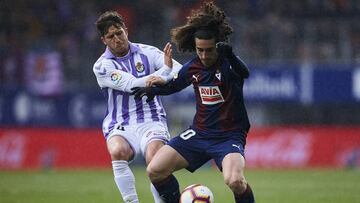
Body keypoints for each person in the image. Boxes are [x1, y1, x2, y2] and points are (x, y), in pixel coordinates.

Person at [132, 1, 255, 203]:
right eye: (200, 50)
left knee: (235, 181)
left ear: (217, 45)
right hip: (199, 133)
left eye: (208, 50)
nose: (204, 55)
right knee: (155, 170)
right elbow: (174, 85)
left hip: (229, 136)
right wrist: (153, 90)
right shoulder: (193, 68)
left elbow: (245, 73)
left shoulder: (229, 64)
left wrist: (231, 55)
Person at [93, 11, 182, 203]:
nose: (117, 39)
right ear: (104, 40)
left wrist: (166, 74)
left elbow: (178, 69)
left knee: (155, 160)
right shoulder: (102, 66)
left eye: (119, 32)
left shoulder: (147, 52)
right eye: (111, 36)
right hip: (120, 122)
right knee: (118, 151)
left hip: (151, 118)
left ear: (126, 30)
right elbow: (131, 85)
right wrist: (164, 72)